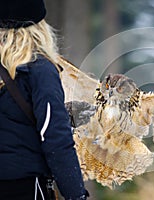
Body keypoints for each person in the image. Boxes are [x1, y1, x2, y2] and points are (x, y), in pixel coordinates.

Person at [0, 0, 89, 199]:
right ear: (40, 27)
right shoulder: (39, 70)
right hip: (24, 187)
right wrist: (76, 195)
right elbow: (55, 140)